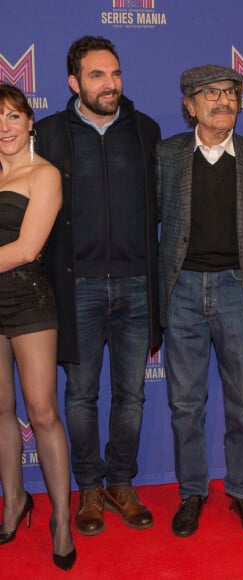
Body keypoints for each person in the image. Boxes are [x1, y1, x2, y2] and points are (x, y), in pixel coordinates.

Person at [34, 36, 161, 536]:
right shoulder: (47, 134)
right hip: (77, 287)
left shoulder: (145, 131)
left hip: (135, 286)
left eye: (115, 74)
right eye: (96, 76)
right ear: (74, 83)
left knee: (131, 396)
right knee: (81, 396)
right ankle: (88, 486)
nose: (110, 84)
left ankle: (121, 482)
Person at [157, 64, 243, 538]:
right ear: (189, 104)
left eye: (231, 93)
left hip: (240, 288)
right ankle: (192, 491)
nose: (224, 101)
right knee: (185, 402)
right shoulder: (167, 155)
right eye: (210, 94)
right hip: (182, 290)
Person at [0, 84, 75, 570]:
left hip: (28, 301)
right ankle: (13, 502)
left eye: (12, 116)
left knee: (42, 411)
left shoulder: (43, 174)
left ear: (30, 122)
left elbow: (28, 248)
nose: (4, 126)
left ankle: (62, 520)